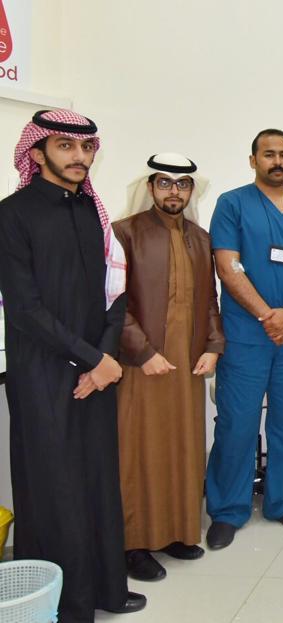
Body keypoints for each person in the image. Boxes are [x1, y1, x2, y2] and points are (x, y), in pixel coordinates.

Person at [0, 109, 145, 621]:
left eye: (85, 147)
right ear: (37, 152)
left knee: (99, 479)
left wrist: (105, 357)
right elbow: (25, 309)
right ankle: (67, 604)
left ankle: (106, 590)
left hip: (96, 371)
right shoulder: (12, 215)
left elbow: (115, 293)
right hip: (42, 372)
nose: (80, 157)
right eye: (65, 146)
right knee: (55, 487)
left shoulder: (92, 213)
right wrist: (94, 358)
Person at [205, 129, 283, 548]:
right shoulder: (232, 204)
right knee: (237, 424)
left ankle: (280, 501)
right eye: (268, 154)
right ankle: (228, 509)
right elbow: (228, 267)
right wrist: (267, 316)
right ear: (253, 160)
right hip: (247, 337)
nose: (277, 161)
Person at [113, 153, 224, 581]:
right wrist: (142, 352)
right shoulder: (125, 233)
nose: (174, 192)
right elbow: (114, 302)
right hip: (140, 367)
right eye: (164, 183)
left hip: (187, 365)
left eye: (182, 184)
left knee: (183, 448)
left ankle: (177, 532)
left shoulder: (200, 238)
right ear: (150, 187)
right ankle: (134, 544)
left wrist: (213, 345)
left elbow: (210, 300)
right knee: (140, 452)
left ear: (191, 190)